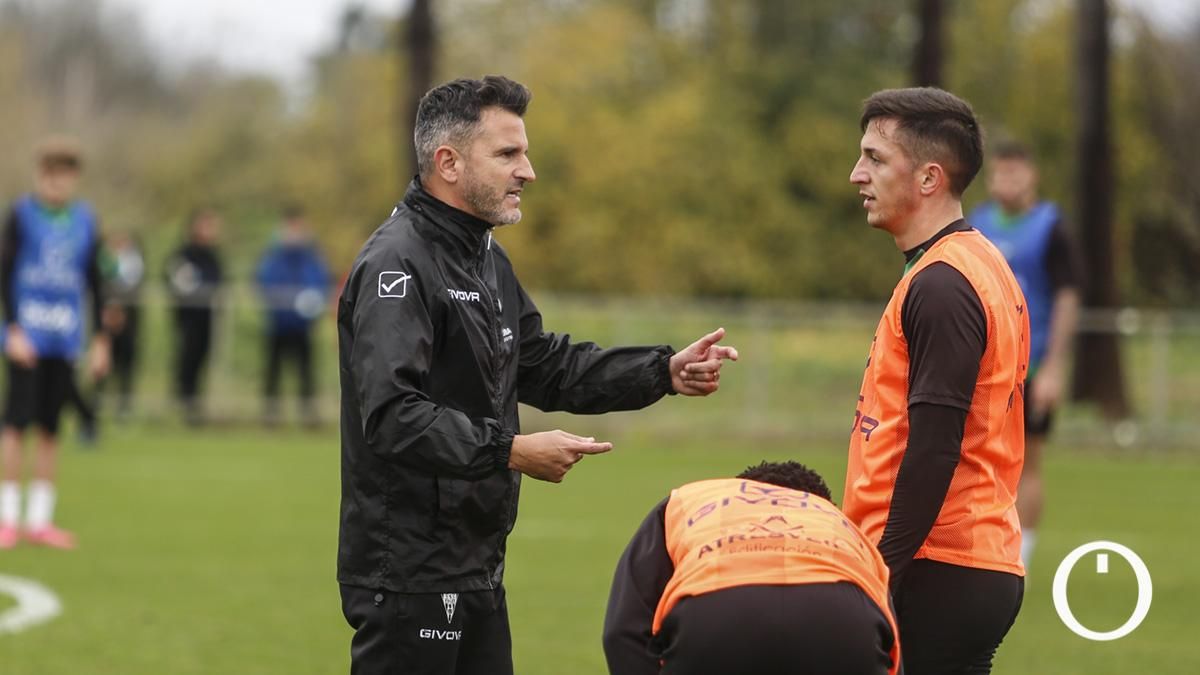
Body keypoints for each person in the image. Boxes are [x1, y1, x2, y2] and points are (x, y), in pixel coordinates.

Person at [337, 75, 739, 675]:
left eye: (523, 152)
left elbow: (544, 364)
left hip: (476, 562)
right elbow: (393, 415)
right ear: (448, 162)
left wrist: (662, 370)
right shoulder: (398, 262)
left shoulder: (486, 256)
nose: (528, 170)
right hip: (409, 573)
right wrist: (512, 450)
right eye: (507, 154)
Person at [845, 88, 1028, 674]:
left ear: (928, 178)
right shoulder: (973, 263)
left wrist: (881, 572)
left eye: (875, 158)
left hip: (935, 565)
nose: (856, 175)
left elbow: (934, 447)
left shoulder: (944, 284)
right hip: (965, 562)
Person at [603, 461, 899, 675]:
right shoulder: (840, 524)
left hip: (715, 621)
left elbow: (625, 629)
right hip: (845, 624)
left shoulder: (690, 500)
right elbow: (890, 638)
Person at [968, 141, 1081, 569]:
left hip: (1031, 365)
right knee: (978, 457)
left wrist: (1054, 368)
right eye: (999, 174)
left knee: (1027, 460)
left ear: (1031, 176)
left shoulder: (1051, 227)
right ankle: (979, 546)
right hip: (985, 366)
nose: (1005, 182)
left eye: (1014, 173)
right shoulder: (975, 224)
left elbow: (1068, 297)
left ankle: (1022, 555)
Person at [0, 137, 110, 550]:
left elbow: (95, 282)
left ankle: (40, 520)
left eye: (64, 175)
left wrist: (101, 339)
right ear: (38, 175)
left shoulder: (85, 220)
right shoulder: (21, 215)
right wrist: (12, 329)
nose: (56, 183)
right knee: (15, 425)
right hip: (26, 337)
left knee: (50, 427)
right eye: (49, 174)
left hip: (64, 338)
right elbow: (4, 272)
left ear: (74, 179)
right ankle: (7, 518)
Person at [255, 204, 331, 425]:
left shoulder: (310, 256)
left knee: (306, 371)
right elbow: (265, 281)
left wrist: (310, 301)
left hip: (302, 325)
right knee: (273, 371)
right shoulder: (273, 255)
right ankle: (270, 415)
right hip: (278, 323)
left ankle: (308, 415)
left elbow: (318, 281)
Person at [164, 208, 223, 425]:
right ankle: (182, 407)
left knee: (200, 364)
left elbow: (217, 282)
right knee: (185, 363)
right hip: (187, 320)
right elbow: (173, 278)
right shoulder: (183, 255)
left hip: (207, 319)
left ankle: (195, 409)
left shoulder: (213, 256)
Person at [100, 231, 146, 418]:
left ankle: (123, 409)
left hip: (130, 318)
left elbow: (135, 285)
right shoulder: (103, 256)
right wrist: (111, 308)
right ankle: (94, 407)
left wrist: (123, 309)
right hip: (104, 317)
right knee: (103, 363)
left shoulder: (136, 257)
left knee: (126, 365)